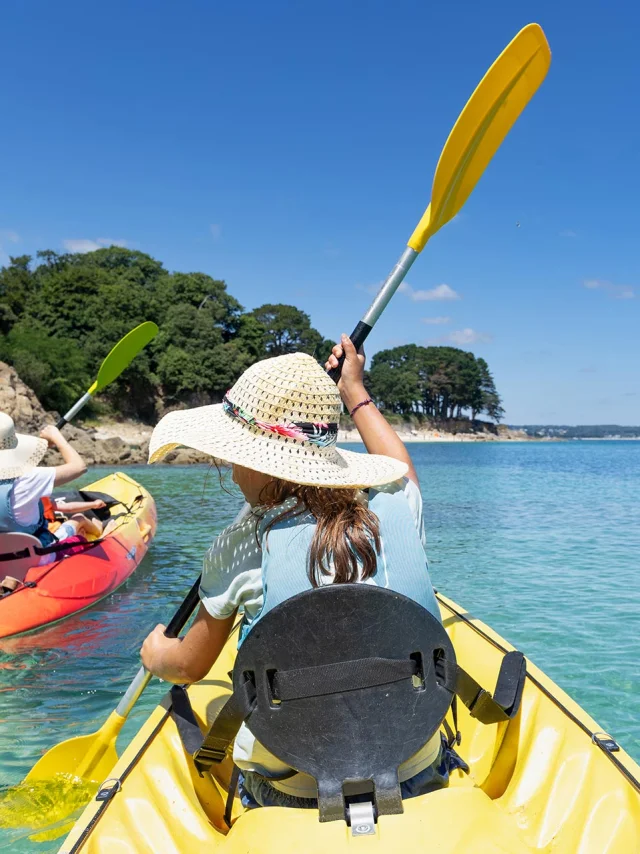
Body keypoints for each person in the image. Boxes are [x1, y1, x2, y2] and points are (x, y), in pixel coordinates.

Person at [141, 335, 455, 809]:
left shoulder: (240, 545)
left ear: (261, 462)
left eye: (235, 457)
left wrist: (157, 654)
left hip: (290, 786)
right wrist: (355, 392)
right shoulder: (397, 503)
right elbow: (402, 471)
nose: (230, 470)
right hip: (413, 763)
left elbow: (190, 666)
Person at [0, 414, 103, 548]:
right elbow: (79, 467)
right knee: (76, 522)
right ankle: (99, 529)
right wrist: (57, 437)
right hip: (37, 556)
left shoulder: (31, 478)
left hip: (4, 560)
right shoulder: (29, 478)